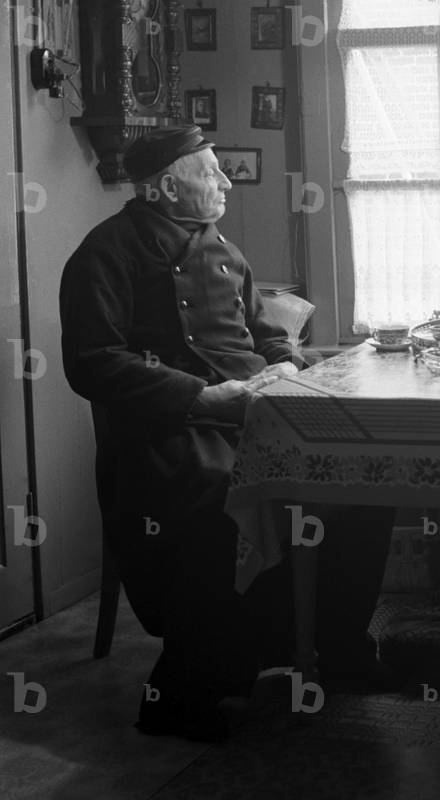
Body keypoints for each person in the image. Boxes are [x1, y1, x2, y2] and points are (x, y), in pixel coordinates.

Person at [60, 127, 393, 742]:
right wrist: (199, 395)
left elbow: (266, 334)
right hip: (169, 432)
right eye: (209, 171)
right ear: (164, 187)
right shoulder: (105, 252)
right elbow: (93, 361)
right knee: (225, 503)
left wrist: (284, 364)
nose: (225, 181)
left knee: (361, 485)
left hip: (254, 415)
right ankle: (189, 691)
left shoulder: (223, 249)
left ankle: (336, 648)